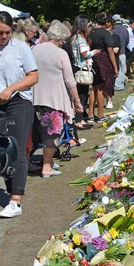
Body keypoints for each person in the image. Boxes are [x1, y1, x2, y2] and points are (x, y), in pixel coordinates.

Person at [0, 11, 39, 218]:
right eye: (0, 32)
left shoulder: (21, 48)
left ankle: (16, 199)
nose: (4, 36)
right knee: (3, 149)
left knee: (18, 146)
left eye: (7, 32)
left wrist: (11, 88)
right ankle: (11, 187)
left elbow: (33, 76)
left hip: (19, 100)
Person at [32, 21, 83, 177]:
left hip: (35, 97)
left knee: (38, 134)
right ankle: (47, 166)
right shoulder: (61, 53)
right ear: (60, 39)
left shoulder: (34, 49)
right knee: (52, 136)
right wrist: (77, 101)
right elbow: (69, 80)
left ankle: (47, 162)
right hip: (53, 99)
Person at [88, 12, 117, 122]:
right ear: (107, 22)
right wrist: (115, 66)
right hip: (102, 60)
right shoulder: (105, 33)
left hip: (91, 59)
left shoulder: (91, 32)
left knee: (93, 88)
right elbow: (110, 51)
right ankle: (100, 115)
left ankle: (90, 114)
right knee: (100, 88)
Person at [69, 14, 97, 130]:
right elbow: (85, 54)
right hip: (82, 69)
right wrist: (95, 52)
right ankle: (79, 121)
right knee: (82, 95)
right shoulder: (80, 38)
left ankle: (80, 119)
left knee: (82, 95)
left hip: (77, 67)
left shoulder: (74, 38)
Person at [112, 14, 128, 92]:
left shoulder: (112, 29)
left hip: (115, 52)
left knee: (116, 68)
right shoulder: (125, 29)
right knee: (122, 68)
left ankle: (117, 85)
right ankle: (121, 84)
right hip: (123, 51)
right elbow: (127, 41)